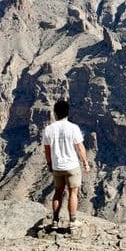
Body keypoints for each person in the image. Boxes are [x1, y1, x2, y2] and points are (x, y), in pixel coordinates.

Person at [42, 98, 90, 230]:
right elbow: (80, 147)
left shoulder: (49, 129)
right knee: (73, 193)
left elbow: (47, 150)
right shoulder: (73, 128)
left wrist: (49, 163)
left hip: (57, 166)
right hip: (72, 166)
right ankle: (73, 221)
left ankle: (55, 220)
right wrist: (85, 162)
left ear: (55, 113)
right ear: (68, 113)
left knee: (58, 192)